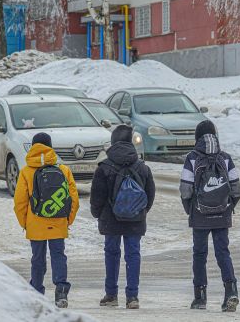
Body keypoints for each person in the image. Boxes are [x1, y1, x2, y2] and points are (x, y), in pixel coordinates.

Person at [90, 125, 156, 309]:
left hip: (111, 219)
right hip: (135, 218)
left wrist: (98, 214)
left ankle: (111, 295)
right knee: (133, 254)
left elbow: (97, 197)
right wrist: (141, 211)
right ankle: (132, 297)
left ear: (113, 142)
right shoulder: (142, 167)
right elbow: (150, 194)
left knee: (112, 254)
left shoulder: (104, 167)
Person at [179, 120, 240, 312]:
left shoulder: (191, 158)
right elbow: (236, 188)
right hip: (222, 213)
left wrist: (190, 209)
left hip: (199, 214)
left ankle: (200, 297)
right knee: (223, 252)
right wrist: (228, 206)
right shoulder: (226, 158)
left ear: (197, 137)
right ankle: (231, 291)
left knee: (199, 254)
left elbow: (185, 189)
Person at [14, 133, 79, 308]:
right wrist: (67, 220)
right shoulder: (63, 170)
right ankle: (61, 291)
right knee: (58, 255)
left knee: (37, 258)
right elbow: (73, 198)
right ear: (50, 147)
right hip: (58, 222)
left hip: (35, 224)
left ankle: (36, 291)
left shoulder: (26, 171)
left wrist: (25, 223)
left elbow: (19, 202)